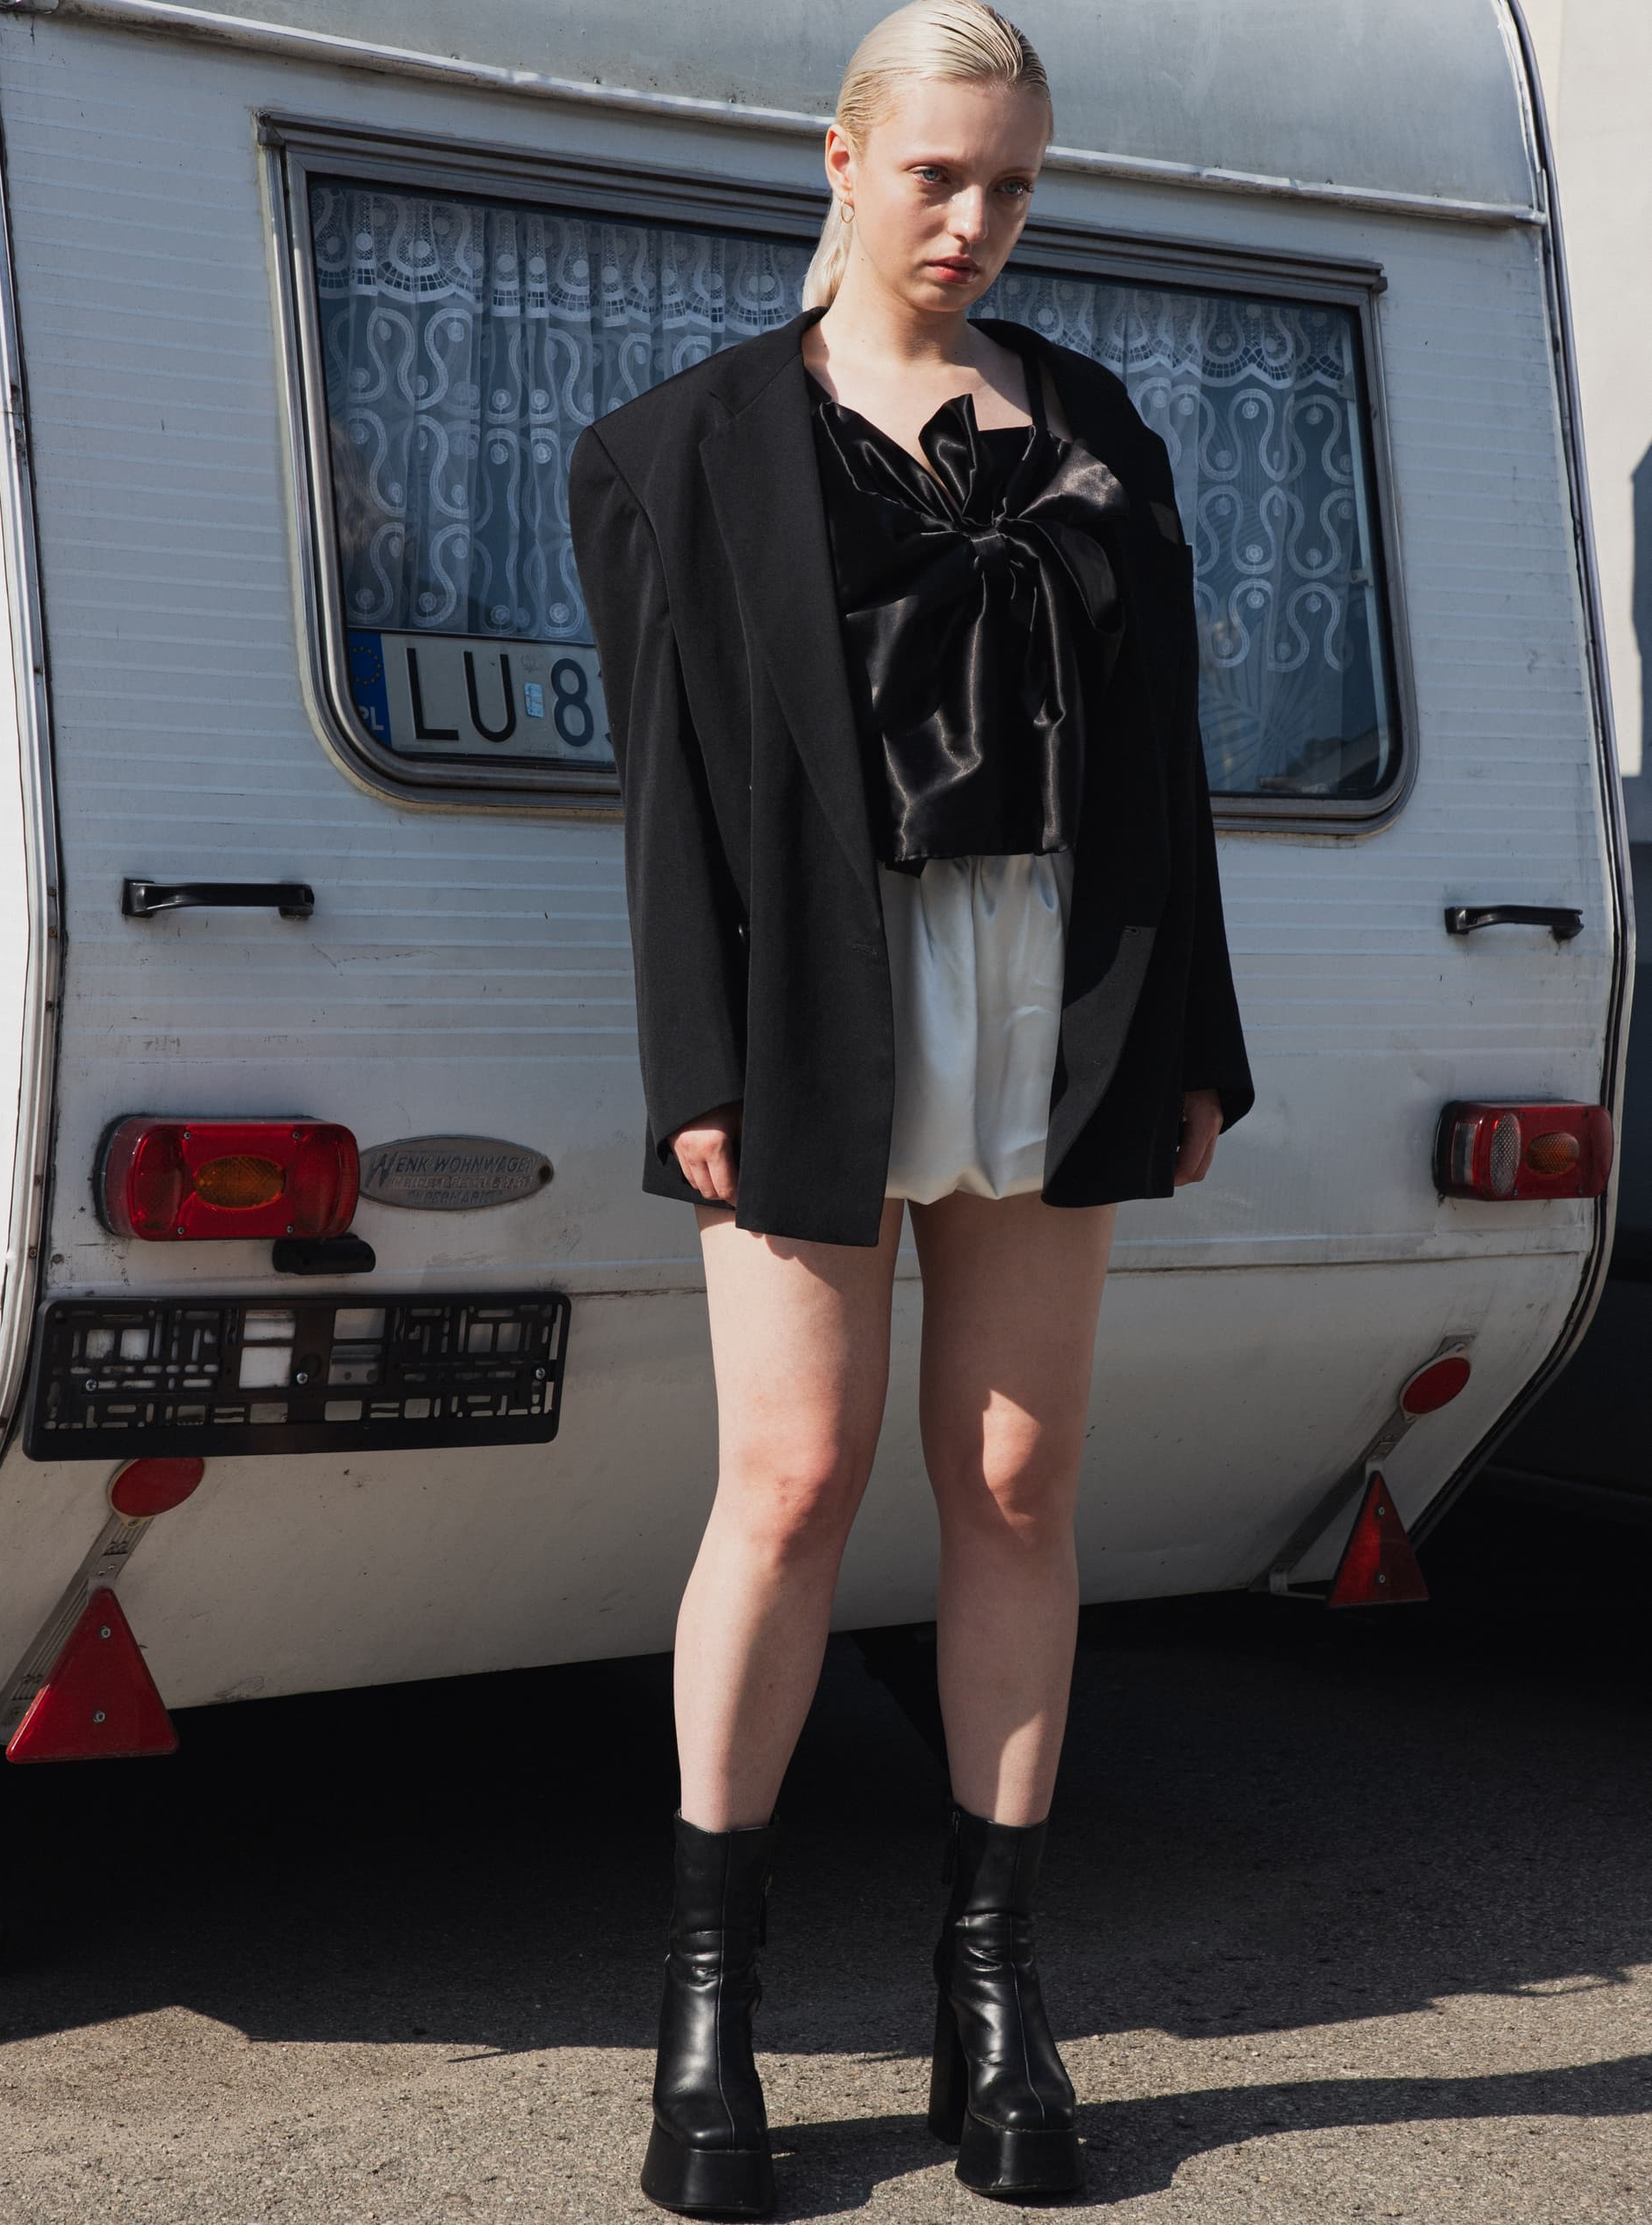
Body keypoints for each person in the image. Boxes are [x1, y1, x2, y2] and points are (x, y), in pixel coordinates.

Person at [567, 3, 1253, 2210]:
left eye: (1012, 183)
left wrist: (1193, 1035)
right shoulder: (681, 446)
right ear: (841, 160)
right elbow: (664, 795)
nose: (974, 219)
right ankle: (710, 2011)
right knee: (787, 1479)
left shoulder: (1098, 422)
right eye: (938, 173)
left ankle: (992, 1987)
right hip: (815, 997)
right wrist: (693, 1058)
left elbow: (1161, 764)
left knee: (1018, 1475)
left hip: (1057, 982)